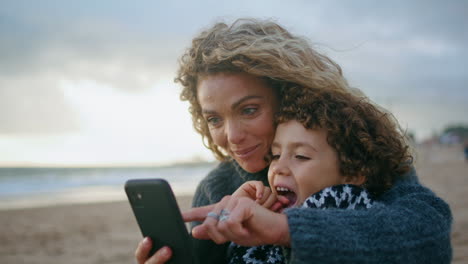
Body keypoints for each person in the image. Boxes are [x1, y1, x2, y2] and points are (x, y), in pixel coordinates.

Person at [135, 18, 452, 264]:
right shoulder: (217, 188)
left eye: (249, 109)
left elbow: (430, 236)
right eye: (214, 119)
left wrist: (284, 230)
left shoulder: (355, 154)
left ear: (288, 94)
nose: (231, 137)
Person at [224, 86, 413, 264]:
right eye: (275, 155)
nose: (278, 168)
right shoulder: (277, 211)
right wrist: (236, 220)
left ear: (352, 172)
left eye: (301, 156)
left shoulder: (345, 207)